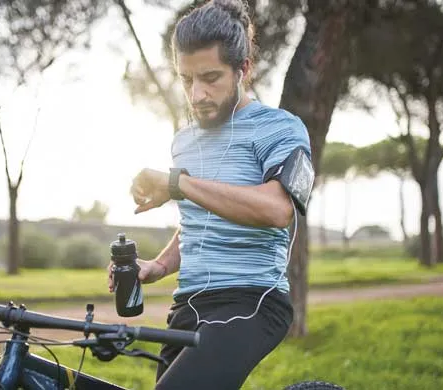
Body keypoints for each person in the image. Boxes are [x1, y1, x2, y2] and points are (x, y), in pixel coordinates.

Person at [108, 0, 314, 388]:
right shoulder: (184, 141)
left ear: (243, 70)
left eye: (210, 77)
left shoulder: (280, 128)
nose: (197, 93)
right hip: (188, 304)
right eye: (186, 80)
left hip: (252, 300)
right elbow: (198, 222)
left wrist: (177, 184)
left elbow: (277, 209)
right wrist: (159, 266)